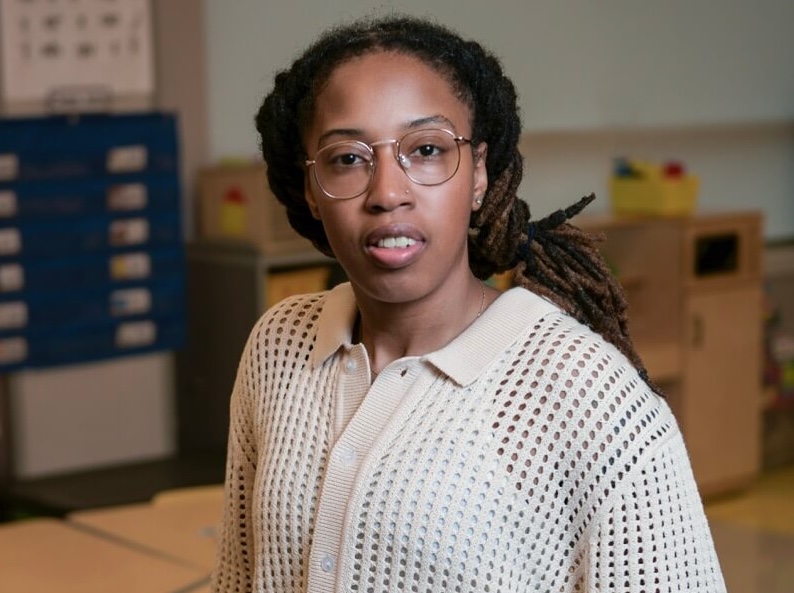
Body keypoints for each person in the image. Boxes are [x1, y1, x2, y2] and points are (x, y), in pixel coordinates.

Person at [211, 14, 727, 593]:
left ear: (478, 174)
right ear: (310, 189)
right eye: (348, 158)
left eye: (427, 149)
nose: (388, 193)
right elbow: (238, 578)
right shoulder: (278, 344)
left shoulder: (590, 397)